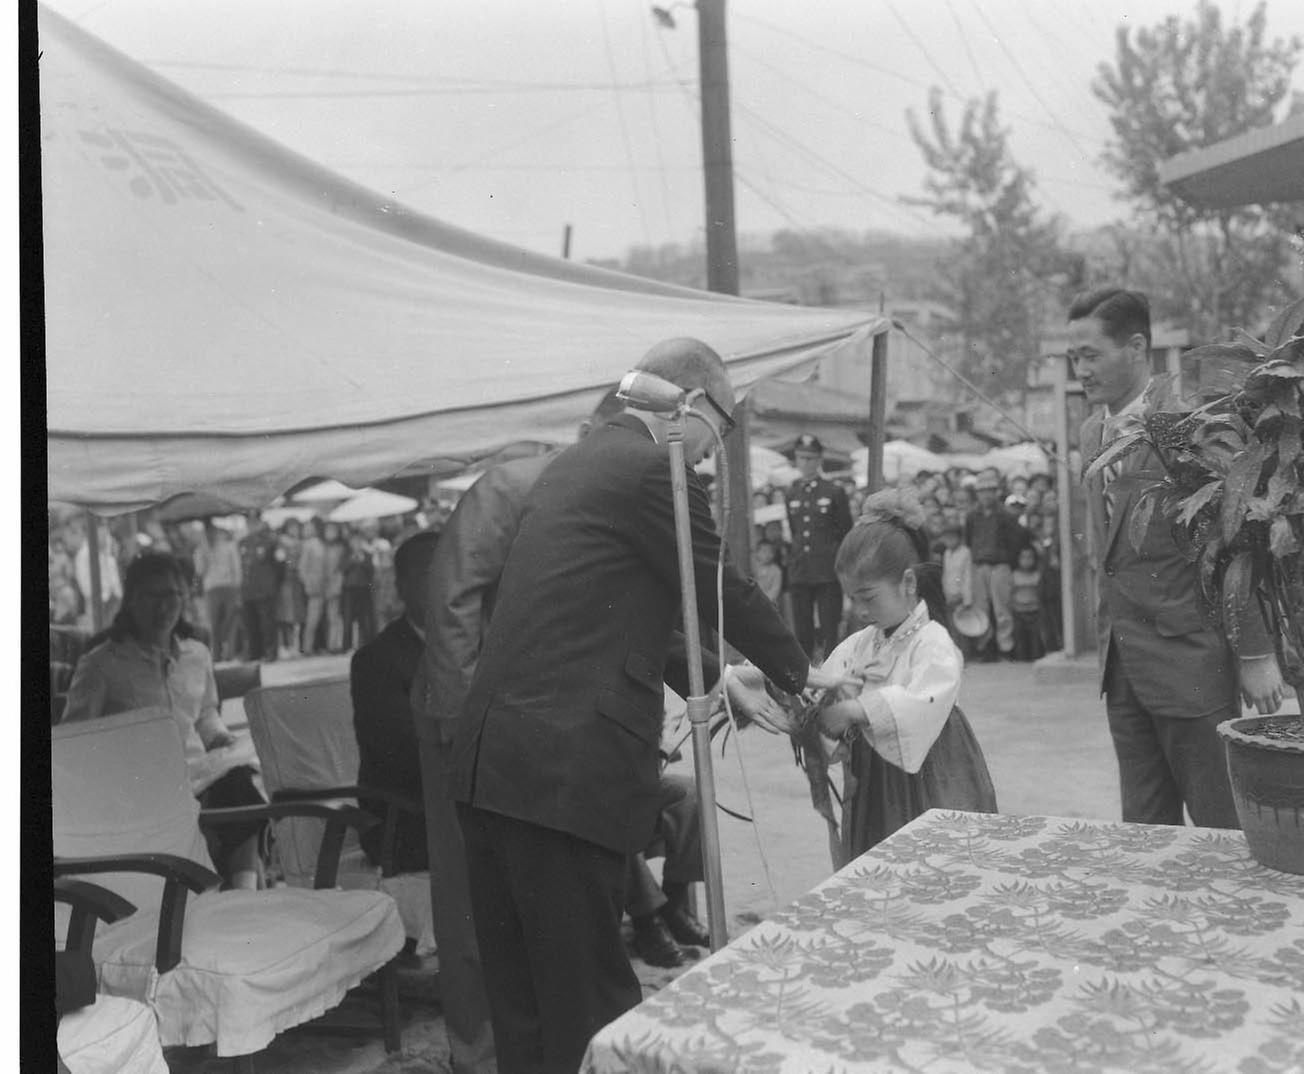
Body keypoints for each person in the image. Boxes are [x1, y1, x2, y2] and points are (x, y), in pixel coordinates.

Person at [445, 338, 855, 1074]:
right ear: (693, 403)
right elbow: (721, 584)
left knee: (524, 1004)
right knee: (589, 998)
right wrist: (803, 673)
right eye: (718, 433)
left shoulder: (575, 464)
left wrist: (713, 675)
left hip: (493, 767)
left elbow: (607, 609)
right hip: (560, 772)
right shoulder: (653, 468)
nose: (708, 455)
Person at [1068, 286, 1284, 827]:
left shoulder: (1189, 426)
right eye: (1074, 357)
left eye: (1090, 354)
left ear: (1137, 347)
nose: (1080, 370)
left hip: (1190, 663)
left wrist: (1255, 654)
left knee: (1221, 830)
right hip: (1123, 667)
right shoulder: (1092, 430)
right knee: (1143, 831)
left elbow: (1235, 542)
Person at [810, 488, 998, 856]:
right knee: (876, 855)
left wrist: (857, 709)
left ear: (908, 583)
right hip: (873, 778)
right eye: (852, 599)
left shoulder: (933, 641)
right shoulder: (862, 642)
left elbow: (924, 697)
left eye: (869, 597)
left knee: (934, 856)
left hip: (931, 767)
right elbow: (825, 681)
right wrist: (812, 706)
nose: (860, 610)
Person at [62, 553, 266, 888]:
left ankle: (244, 899)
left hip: (197, 778)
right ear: (131, 600)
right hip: (137, 787)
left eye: (173, 595)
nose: (164, 607)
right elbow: (75, 740)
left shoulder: (196, 654)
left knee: (241, 783)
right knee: (228, 806)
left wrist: (221, 740)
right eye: (152, 596)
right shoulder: (101, 664)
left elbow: (205, 714)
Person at [350, 531, 438, 874]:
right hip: (408, 822)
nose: (442, 582)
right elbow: (406, 757)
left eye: (451, 569)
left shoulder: (481, 645)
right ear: (401, 587)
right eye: (427, 574)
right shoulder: (378, 661)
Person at [784, 434, 853, 661]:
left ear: (819, 460)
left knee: (829, 628)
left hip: (826, 570)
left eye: (811, 458)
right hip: (800, 570)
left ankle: (831, 671)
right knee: (802, 629)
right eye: (801, 458)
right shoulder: (791, 491)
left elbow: (845, 532)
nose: (806, 463)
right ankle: (805, 677)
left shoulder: (833, 491)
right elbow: (795, 531)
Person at [963, 471, 1029, 661]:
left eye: (990, 491)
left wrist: (1007, 560)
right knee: (981, 608)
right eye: (982, 491)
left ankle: (1006, 648)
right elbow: (969, 540)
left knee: (1002, 609)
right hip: (979, 564)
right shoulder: (972, 516)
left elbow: (1016, 541)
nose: (986, 495)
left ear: (996, 492)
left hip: (1000, 565)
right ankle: (986, 647)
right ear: (977, 493)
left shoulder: (1006, 515)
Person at [238, 513, 282, 662]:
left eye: (254, 521)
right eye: (248, 522)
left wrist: (274, 584)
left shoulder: (270, 541)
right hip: (248, 590)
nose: (251, 525)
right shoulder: (242, 543)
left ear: (260, 522)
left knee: (267, 624)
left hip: (265, 589)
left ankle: (270, 652)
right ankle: (254, 652)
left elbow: (281, 564)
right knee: (251, 624)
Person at [1010, 545, 1045, 662]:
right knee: (1020, 638)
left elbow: (1040, 594)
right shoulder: (1014, 575)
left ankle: (1035, 658)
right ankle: (1021, 659)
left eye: (1030, 557)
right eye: (1023, 558)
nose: (1026, 561)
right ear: (1018, 559)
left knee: (1035, 637)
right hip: (1018, 611)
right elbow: (1011, 593)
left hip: (1034, 611)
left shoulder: (1037, 575)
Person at [752, 538, 783, 608]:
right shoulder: (755, 568)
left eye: (770, 552)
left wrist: (766, 599)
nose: (768, 555)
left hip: (770, 603)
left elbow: (776, 588)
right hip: (755, 602)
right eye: (764, 552)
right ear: (757, 553)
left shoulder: (776, 570)